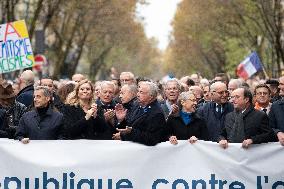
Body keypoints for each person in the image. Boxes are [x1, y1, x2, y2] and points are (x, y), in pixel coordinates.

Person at [113, 81, 166, 146]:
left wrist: (129, 133)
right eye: (138, 91)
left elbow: (151, 139)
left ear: (151, 96)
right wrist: (121, 120)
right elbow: (129, 127)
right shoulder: (136, 105)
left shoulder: (157, 113)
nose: (137, 94)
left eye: (141, 92)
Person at [269, 76, 284, 146]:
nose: (278, 87)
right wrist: (278, 132)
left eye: (281, 84)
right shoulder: (275, 106)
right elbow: (269, 127)